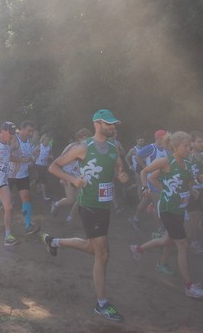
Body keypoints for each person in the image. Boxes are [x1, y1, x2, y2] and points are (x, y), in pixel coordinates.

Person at [42, 110, 130, 322]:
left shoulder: (112, 147)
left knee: (92, 248)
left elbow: (118, 165)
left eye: (114, 124)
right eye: (109, 124)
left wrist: (121, 174)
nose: (113, 127)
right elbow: (53, 167)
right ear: (97, 124)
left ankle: (54, 242)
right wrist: (73, 180)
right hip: (89, 206)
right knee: (103, 254)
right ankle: (101, 304)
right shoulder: (83, 147)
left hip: (104, 206)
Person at [129, 131, 203, 299]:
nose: (189, 148)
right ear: (175, 146)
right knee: (183, 245)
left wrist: (192, 188)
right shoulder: (166, 161)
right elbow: (147, 175)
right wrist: (147, 188)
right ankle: (189, 286)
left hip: (179, 209)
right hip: (167, 209)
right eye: (186, 146)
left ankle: (138, 249)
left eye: (190, 145)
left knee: (167, 240)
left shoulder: (186, 163)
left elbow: (183, 182)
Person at [128, 129, 169, 232]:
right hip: (152, 180)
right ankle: (160, 229)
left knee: (146, 200)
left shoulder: (165, 149)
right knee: (158, 205)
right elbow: (137, 156)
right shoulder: (151, 148)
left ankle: (135, 218)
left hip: (161, 180)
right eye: (165, 138)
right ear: (159, 138)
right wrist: (145, 167)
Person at [50, 128, 92, 219]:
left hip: (79, 176)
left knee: (81, 198)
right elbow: (60, 160)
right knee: (70, 199)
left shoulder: (89, 149)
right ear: (79, 138)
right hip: (68, 175)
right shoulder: (72, 146)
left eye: (87, 138)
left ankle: (70, 217)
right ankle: (56, 204)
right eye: (83, 138)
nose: (85, 140)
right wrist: (62, 177)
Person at [32, 133, 53, 201]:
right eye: (46, 140)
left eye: (48, 140)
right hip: (38, 165)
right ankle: (44, 196)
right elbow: (32, 152)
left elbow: (51, 155)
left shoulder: (49, 147)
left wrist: (50, 159)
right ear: (43, 140)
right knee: (43, 180)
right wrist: (35, 156)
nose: (47, 142)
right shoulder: (39, 146)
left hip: (44, 165)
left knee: (38, 179)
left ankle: (35, 188)